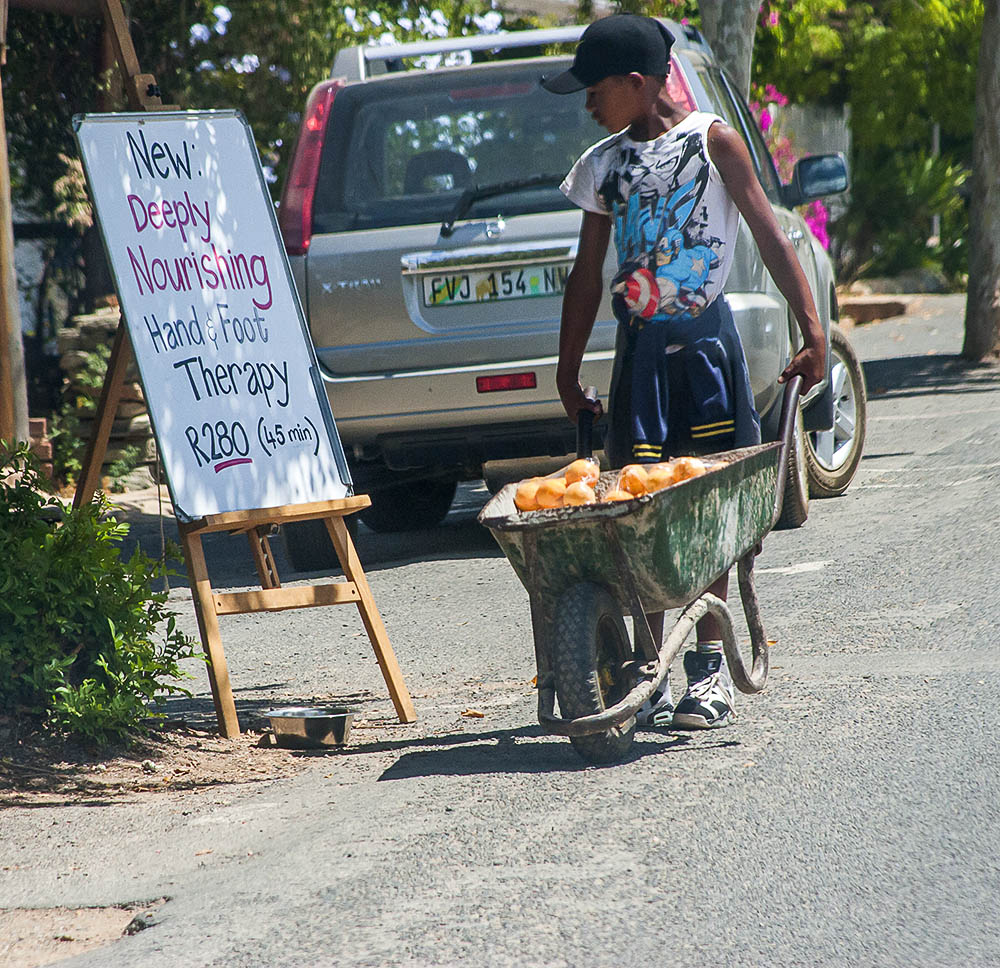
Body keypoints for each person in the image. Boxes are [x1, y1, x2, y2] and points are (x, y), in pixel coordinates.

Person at [542, 13, 826, 729]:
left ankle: (706, 669)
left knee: (707, 509)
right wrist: (567, 369)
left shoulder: (713, 142)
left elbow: (768, 229)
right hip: (638, 360)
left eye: (594, 90)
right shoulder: (603, 166)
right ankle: (649, 664)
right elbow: (585, 276)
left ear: (637, 84)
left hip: (705, 353)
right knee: (637, 509)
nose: (586, 105)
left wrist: (814, 328)